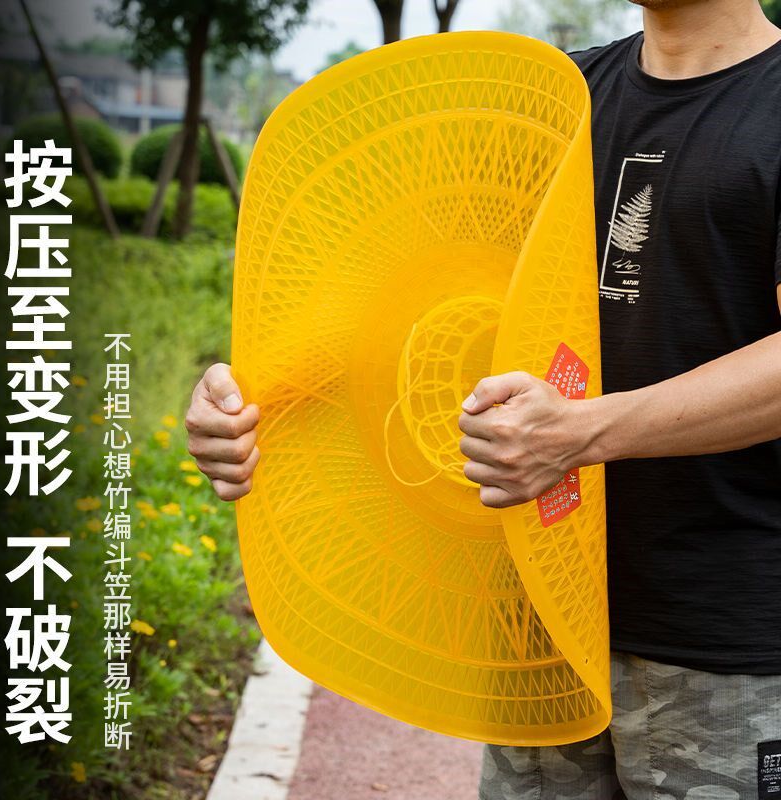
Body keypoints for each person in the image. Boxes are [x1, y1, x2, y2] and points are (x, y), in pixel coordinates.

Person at [185, 0, 781, 795]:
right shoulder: (555, 100)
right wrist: (260, 398)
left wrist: (585, 432)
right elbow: (419, 286)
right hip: (534, 626)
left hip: (723, 642)